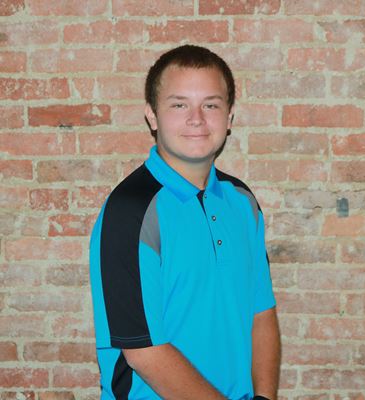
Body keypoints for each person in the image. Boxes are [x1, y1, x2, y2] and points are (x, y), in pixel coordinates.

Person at [89, 44, 281, 400]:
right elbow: (145, 353)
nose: (197, 119)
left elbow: (262, 311)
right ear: (152, 116)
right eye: (179, 105)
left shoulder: (243, 202)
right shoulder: (129, 212)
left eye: (211, 105)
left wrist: (265, 397)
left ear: (229, 117)